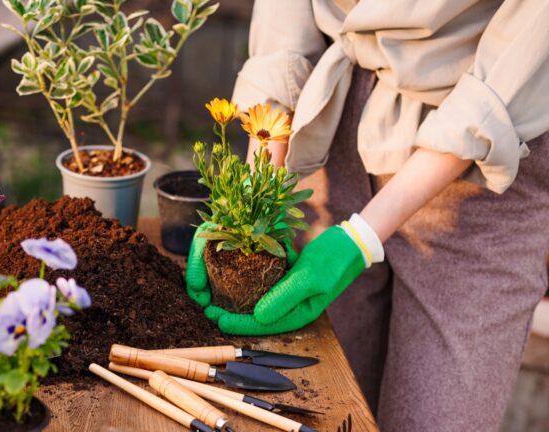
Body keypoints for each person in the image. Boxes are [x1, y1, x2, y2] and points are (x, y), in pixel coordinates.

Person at [184, 1, 549, 430]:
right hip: (329, 127)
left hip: (478, 173)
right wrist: (254, 194)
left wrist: (358, 240)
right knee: (319, 405)